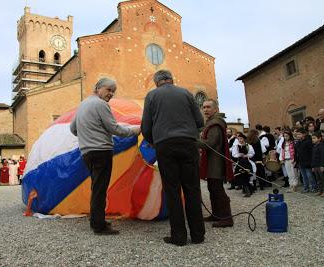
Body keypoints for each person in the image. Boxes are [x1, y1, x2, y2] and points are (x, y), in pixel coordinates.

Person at [141, 70, 205, 246]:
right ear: (172, 79)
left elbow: (146, 127)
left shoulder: (152, 96)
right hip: (188, 144)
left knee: (172, 190)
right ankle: (198, 235)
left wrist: (154, 141)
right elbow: (200, 122)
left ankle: (179, 236)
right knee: (192, 189)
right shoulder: (186, 93)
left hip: (165, 145)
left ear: (156, 82)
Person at [70, 77, 140, 235]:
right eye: (109, 90)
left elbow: (73, 128)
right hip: (101, 151)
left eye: (113, 91)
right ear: (98, 88)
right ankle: (99, 226)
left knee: (96, 187)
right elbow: (115, 129)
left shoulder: (82, 105)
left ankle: (96, 219)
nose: (111, 94)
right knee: (100, 189)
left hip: (87, 152)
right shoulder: (101, 105)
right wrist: (135, 130)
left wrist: (87, 135)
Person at [198, 99, 234, 227]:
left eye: (208, 107)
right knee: (212, 188)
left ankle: (226, 218)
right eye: (204, 107)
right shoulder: (211, 122)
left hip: (215, 163)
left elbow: (210, 144)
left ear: (215, 109)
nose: (205, 110)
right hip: (212, 162)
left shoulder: (215, 124)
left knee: (217, 189)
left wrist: (193, 140)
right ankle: (217, 214)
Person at [295, 128, 317, 193]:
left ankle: (314, 187)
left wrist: (311, 162)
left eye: (299, 134)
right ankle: (306, 187)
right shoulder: (297, 143)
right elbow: (297, 153)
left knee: (309, 175)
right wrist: (296, 161)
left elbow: (311, 152)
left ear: (304, 134)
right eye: (297, 134)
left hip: (307, 162)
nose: (298, 136)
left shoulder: (308, 142)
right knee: (304, 176)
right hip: (300, 162)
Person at [311, 131, 324, 197]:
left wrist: (322, 165)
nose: (313, 140)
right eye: (312, 138)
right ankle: (320, 190)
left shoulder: (322, 146)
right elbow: (313, 157)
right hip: (315, 165)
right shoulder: (314, 146)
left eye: (314, 138)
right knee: (318, 179)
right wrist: (313, 166)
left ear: (319, 138)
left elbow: (323, 156)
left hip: (320, 165)